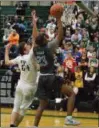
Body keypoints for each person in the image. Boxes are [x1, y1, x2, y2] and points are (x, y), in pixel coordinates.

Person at [32, 10, 80, 127]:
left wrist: (34, 23)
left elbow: (35, 37)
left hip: (41, 78)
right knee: (72, 94)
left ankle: (34, 126)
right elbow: (60, 35)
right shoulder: (49, 46)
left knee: (42, 106)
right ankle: (68, 118)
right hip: (50, 77)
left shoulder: (35, 48)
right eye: (45, 37)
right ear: (44, 41)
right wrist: (58, 19)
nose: (46, 37)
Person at [5, 11, 38, 127]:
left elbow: (7, 62)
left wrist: (6, 51)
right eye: (27, 46)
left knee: (15, 108)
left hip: (20, 86)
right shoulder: (30, 56)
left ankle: (12, 125)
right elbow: (35, 38)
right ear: (25, 50)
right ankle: (15, 125)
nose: (29, 46)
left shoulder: (19, 58)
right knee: (22, 111)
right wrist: (34, 23)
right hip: (29, 87)